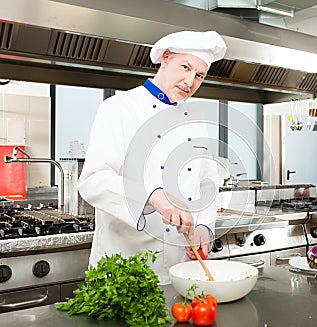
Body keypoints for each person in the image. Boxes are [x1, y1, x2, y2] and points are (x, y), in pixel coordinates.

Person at [77, 31, 227, 284]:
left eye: (199, 75)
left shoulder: (198, 121)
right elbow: (93, 180)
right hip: (126, 265)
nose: (189, 81)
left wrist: (204, 226)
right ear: (165, 58)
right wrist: (153, 195)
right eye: (185, 67)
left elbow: (207, 182)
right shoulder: (119, 108)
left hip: (180, 267)